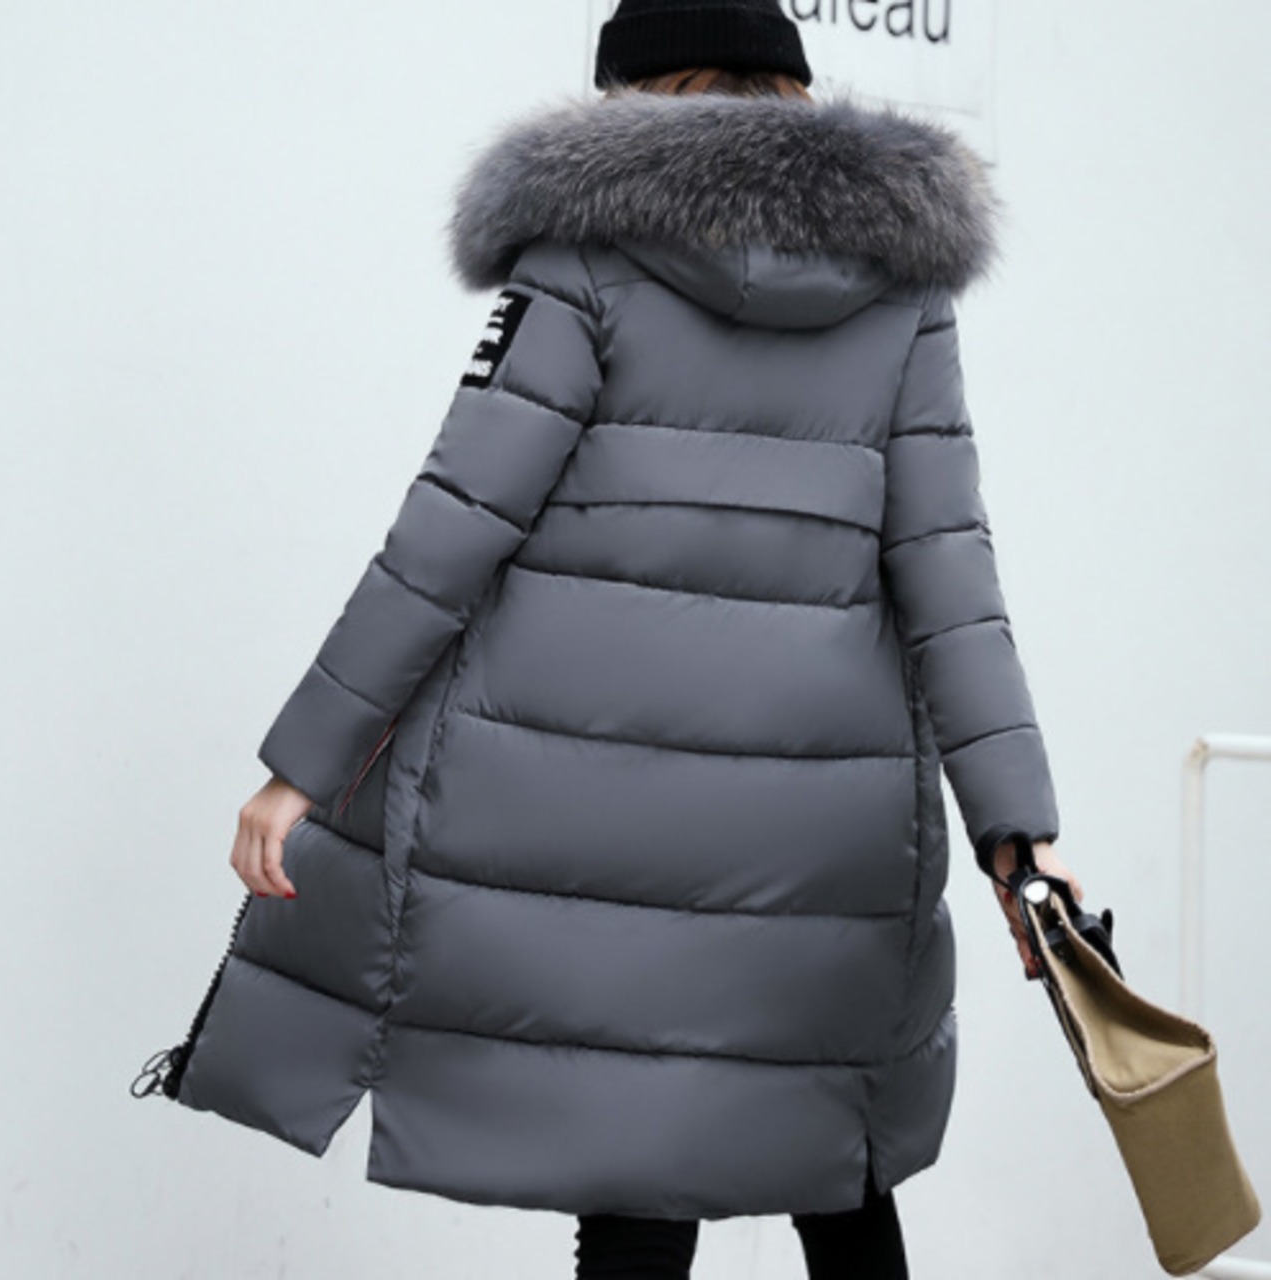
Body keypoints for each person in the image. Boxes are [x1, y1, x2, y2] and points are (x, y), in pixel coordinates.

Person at [135, 1, 1084, 1276]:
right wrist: (1018, 834)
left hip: (597, 815)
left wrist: (302, 763)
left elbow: (449, 529)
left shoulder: (584, 255)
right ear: (791, 89)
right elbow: (950, 574)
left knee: (638, 1166)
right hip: (822, 829)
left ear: (627, 92)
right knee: (835, 1155)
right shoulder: (901, 285)